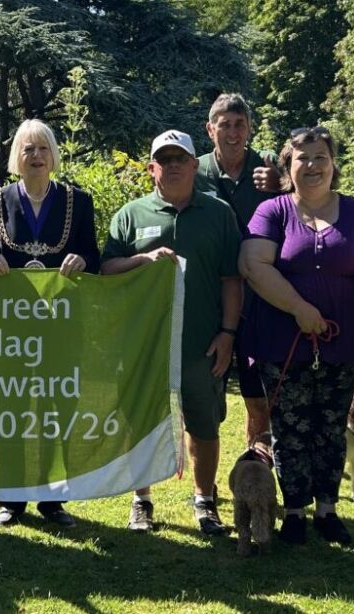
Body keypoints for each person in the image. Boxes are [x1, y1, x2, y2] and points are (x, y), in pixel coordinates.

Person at [239, 127, 354, 546]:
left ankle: (327, 510)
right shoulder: (272, 211)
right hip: (282, 343)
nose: (312, 165)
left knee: (331, 427)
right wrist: (298, 308)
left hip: (343, 345)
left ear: (333, 163)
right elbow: (253, 264)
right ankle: (293, 511)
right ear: (288, 167)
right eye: (302, 158)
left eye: (320, 157)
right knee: (289, 429)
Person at [100, 130, 242, 536]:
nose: (173, 165)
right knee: (141, 422)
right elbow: (106, 270)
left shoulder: (219, 213)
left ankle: (205, 501)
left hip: (201, 343)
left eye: (180, 158)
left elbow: (232, 280)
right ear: (152, 168)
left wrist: (228, 333)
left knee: (204, 424)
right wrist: (142, 259)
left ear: (195, 165)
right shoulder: (131, 215)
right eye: (164, 159)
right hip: (142, 344)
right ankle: (141, 501)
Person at [0, 118, 100, 528]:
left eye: (43, 148)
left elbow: (94, 258)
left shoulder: (79, 202)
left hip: (60, 327)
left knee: (54, 413)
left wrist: (82, 260)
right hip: (10, 331)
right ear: (17, 156)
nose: (36, 156)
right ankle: (11, 500)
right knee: (9, 412)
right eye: (28, 149)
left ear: (53, 155)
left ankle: (51, 500)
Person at [193, 93, 282, 444]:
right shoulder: (194, 170)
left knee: (257, 396)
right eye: (225, 125)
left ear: (249, 128)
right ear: (210, 129)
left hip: (258, 297)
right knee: (201, 397)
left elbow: (303, 198)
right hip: (208, 296)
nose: (232, 133)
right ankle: (204, 476)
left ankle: (256, 465)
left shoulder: (268, 167)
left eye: (239, 124)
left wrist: (280, 185)